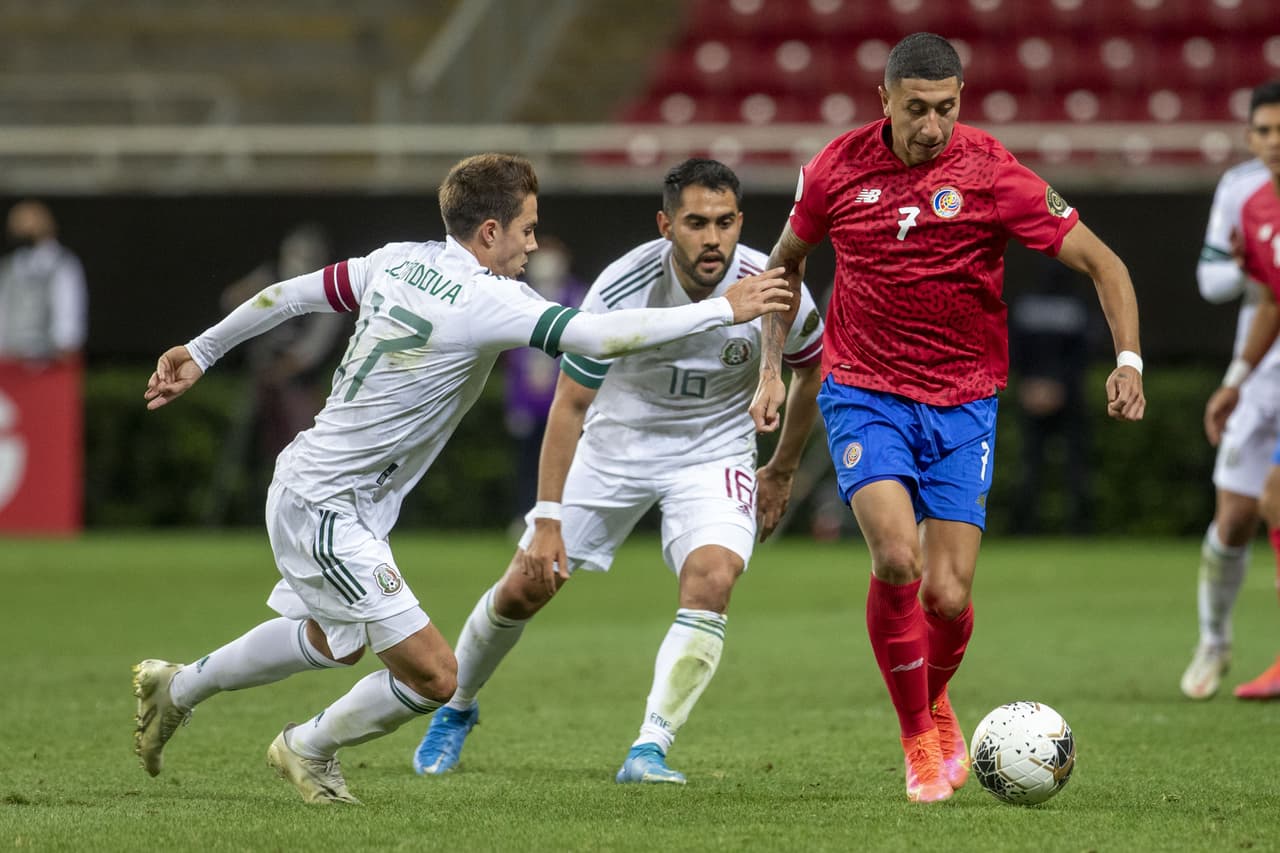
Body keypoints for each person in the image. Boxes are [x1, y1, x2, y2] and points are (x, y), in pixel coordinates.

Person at [132, 153, 793, 805]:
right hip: (326, 504)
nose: (534, 244)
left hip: (326, 489)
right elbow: (597, 337)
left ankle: (179, 687)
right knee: (435, 677)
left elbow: (288, 294)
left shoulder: (396, 259)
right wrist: (721, 310)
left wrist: (200, 349)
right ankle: (306, 745)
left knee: (331, 640)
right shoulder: (489, 298)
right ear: (489, 233)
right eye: (528, 228)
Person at [749, 33, 1145, 803]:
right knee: (895, 556)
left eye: (947, 108)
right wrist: (771, 363)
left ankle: (932, 696)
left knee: (949, 596)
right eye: (917, 109)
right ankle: (917, 743)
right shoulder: (835, 168)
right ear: (885, 101)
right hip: (864, 389)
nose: (933, 126)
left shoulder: (993, 172)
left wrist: (1128, 360)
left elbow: (1108, 264)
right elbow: (784, 264)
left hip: (965, 400)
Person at [411, 158, 825, 784]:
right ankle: (456, 708)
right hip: (615, 447)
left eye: (724, 222)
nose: (712, 238)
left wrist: (781, 470)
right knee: (525, 585)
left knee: (713, 577)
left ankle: (649, 748)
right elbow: (571, 403)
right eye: (695, 223)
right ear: (666, 225)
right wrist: (547, 516)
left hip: (712, 453)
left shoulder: (772, 283)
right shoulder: (620, 286)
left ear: (740, 222)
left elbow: (809, 368)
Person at [1202, 81, 1280, 701]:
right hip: (1264, 372)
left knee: (1276, 495)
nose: (1275, 142)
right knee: (1251, 507)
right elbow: (1272, 300)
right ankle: (1219, 641)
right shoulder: (1254, 206)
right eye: (1265, 130)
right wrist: (1235, 380)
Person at [501, 235, 586, 530]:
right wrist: (516, 403)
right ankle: (524, 515)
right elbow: (513, 359)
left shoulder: (577, 296)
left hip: (562, 397)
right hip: (530, 399)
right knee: (527, 464)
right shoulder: (519, 296)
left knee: (567, 461)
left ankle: (566, 516)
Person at [1008, 257, 1094, 535]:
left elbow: (1014, 351)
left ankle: (1024, 527)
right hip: (1068, 396)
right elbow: (1084, 354)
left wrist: (1030, 385)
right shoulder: (1077, 307)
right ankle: (1079, 527)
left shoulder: (1026, 307)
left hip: (1035, 394)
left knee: (1031, 464)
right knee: (1074, 465)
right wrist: (1060, 386)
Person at [0, 200, 87, 361]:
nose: (16, 228)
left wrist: (66, 345)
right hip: (11, 362)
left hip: (49, 361)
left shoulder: (62, 263)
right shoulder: (9, 266)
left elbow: (68, 308)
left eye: (23, 222)